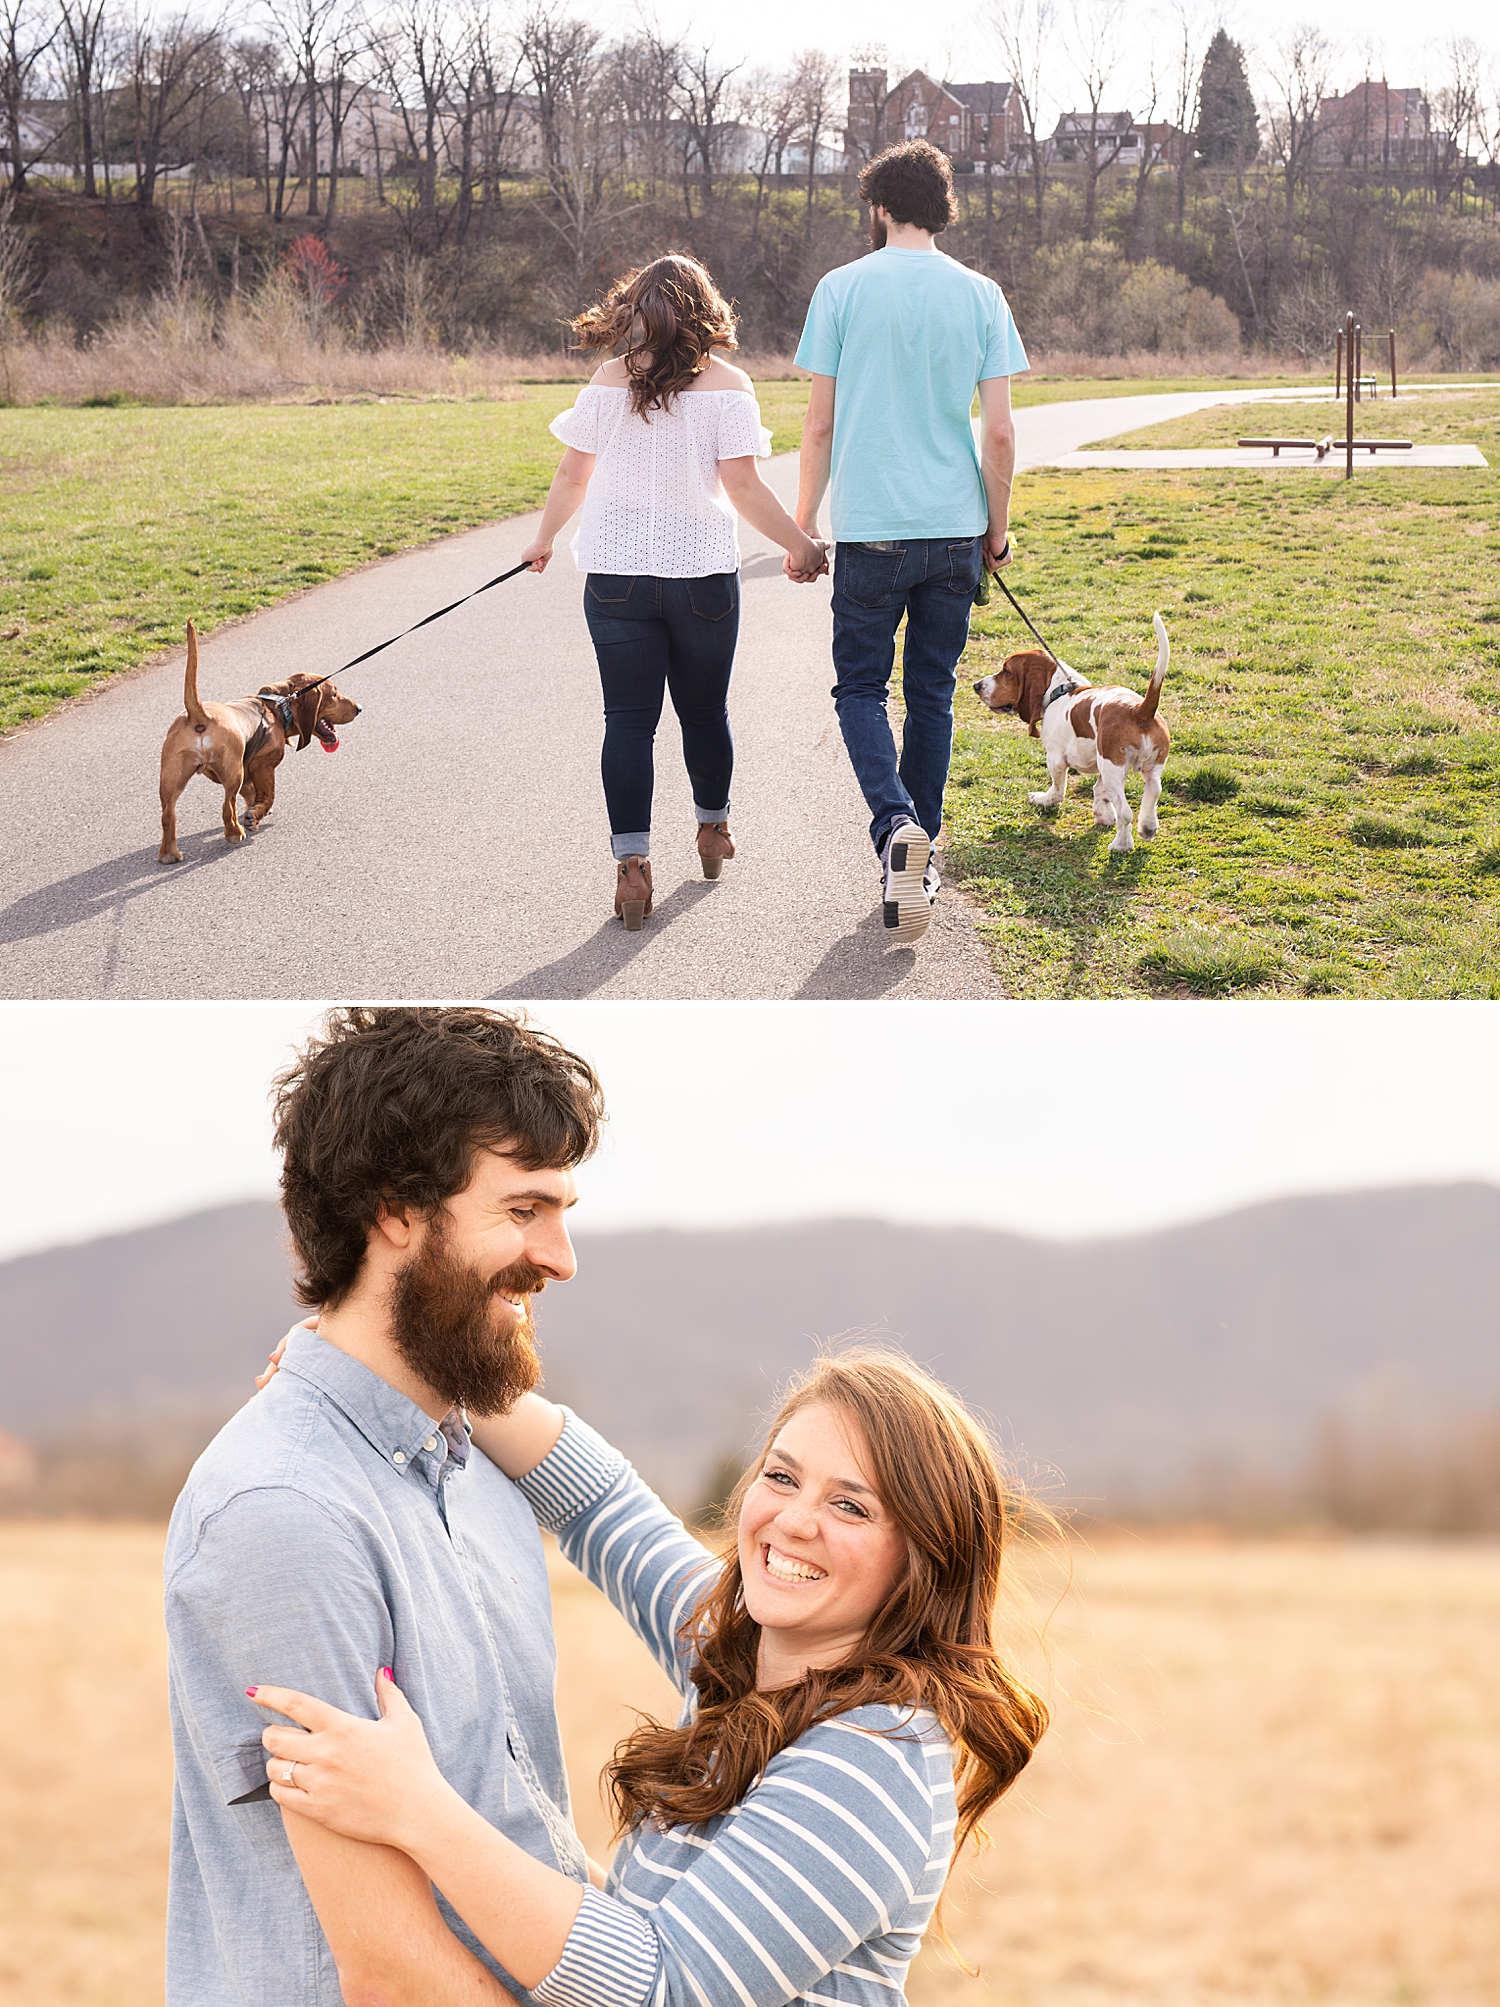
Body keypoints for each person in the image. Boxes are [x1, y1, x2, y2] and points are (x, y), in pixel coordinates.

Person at [244, 1352, 1050, 2006]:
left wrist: (416, 1807)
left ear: (924, 1558)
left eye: (852, 1506)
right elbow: (600, 1502)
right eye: (781, 1477)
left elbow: (664, 1987)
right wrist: (393, 1364)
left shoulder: (875, 1756)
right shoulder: (738, 1649)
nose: (794, 1520)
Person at [162, 1004, 606, 2006]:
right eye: (524, 1210)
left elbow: (526, 1833)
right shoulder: (284, 1513)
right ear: (395, 1211)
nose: (561, 1257)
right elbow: (394, 1972)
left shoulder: (480, 1475)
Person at [520, 254, 828, 931]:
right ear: (703, 308)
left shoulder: (608, 379)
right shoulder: (730, 384)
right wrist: (799, 544)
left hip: (616, 577)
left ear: (635, 309)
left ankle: (632, 868)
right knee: (704, 711)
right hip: (701, 580)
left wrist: (543, 539)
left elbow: (573, 475)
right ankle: (712, 830)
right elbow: (743, 486)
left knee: (627, 722)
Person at [792, 141, 1028, 946]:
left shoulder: (841, 290)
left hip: (872, 531)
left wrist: (802, 525)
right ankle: (918, 860)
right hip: (954, 529)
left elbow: (818, 423)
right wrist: (996, 530)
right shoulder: (983, 295)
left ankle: (896, 826)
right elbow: (999, 434)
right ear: (943, 206)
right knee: (929, 693)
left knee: (860, 689)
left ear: (879, 208)